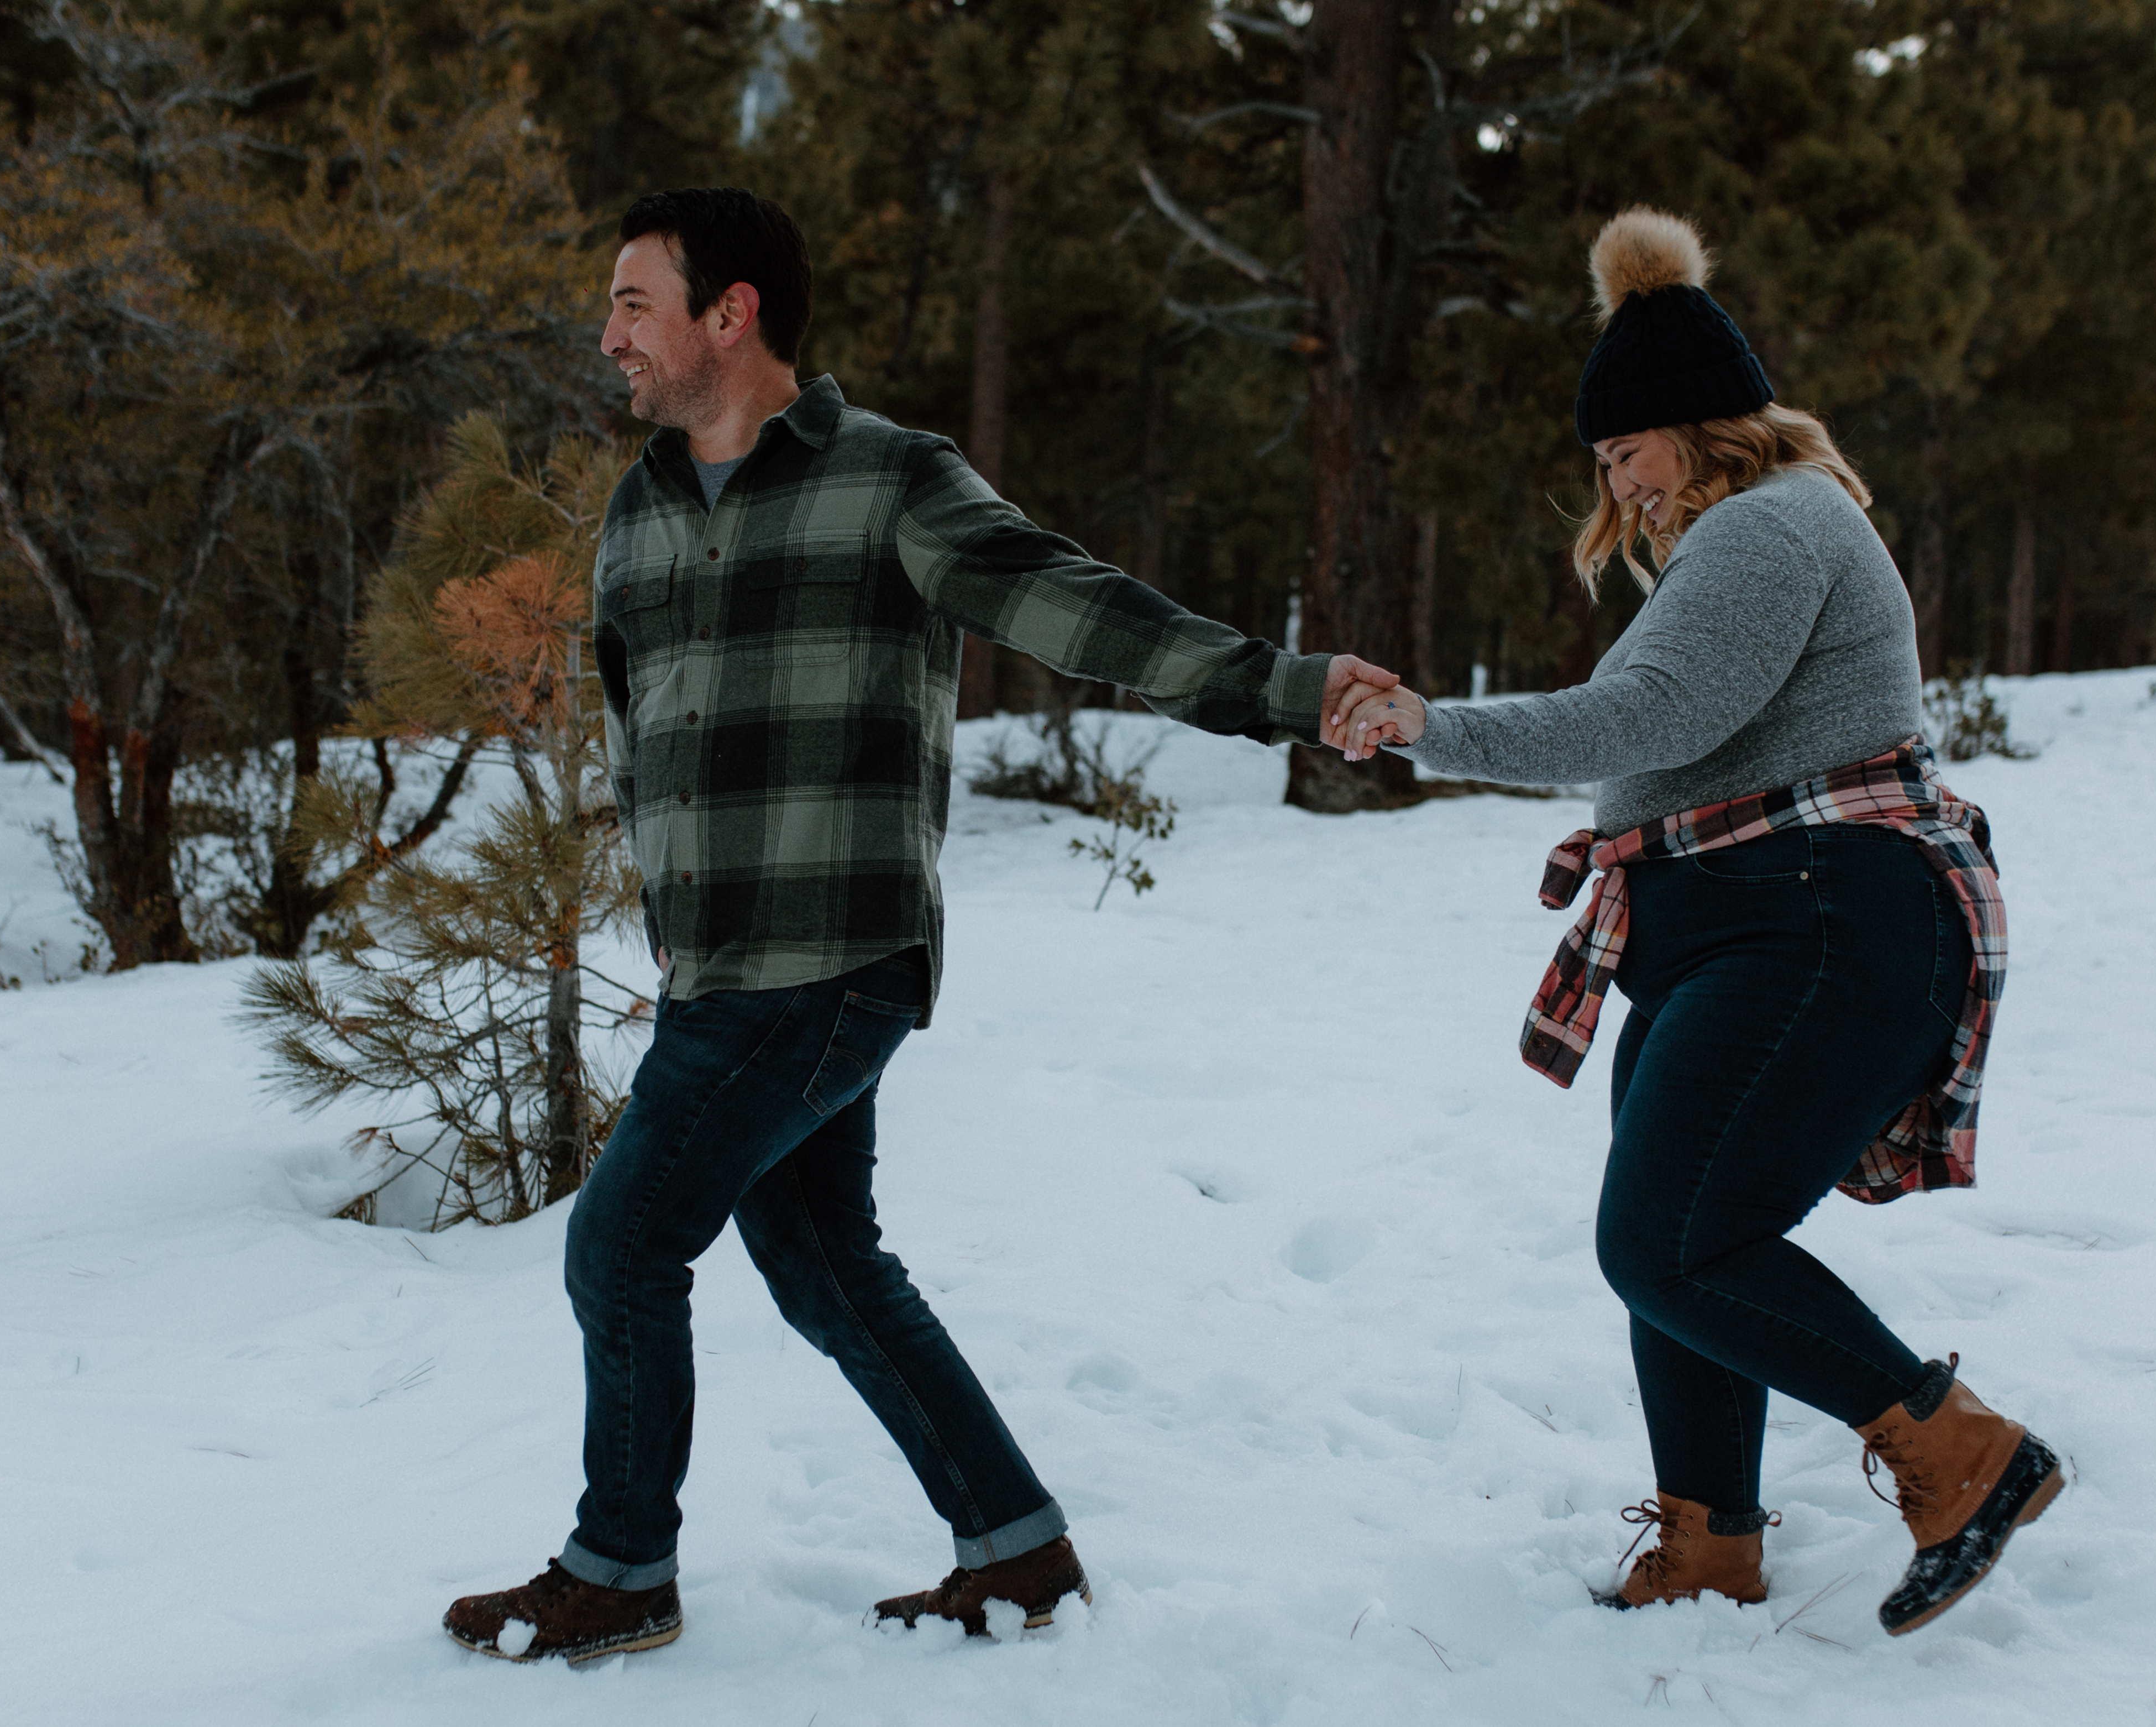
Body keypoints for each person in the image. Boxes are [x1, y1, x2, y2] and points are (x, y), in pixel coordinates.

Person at [443, 188, 1399, 1665]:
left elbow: (1074, 607)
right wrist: (665, 917)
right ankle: (1015, 1546)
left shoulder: (887, 478)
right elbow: (640, 736)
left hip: (827, 956)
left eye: (635, 303)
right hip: (721, 968)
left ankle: (621, 1569)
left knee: (620, 1247)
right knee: (825, 1263)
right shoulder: (639, 510)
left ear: (730, 313)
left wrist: (1287, 688)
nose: (610, 334)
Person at [1333, 207, 2063, 1637]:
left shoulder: (1770, 523)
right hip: (1754, 929)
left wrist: (1431, 725)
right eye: (1604, 463)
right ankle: (1708, 1538)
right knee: (1680, 1238)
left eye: (1629, 452)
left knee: (1666, 1241)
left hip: (1817, 920)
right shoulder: (1760, 533)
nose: (1619, 485)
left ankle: (1961, 1451)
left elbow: (1644, 715)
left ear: (1698, 424)